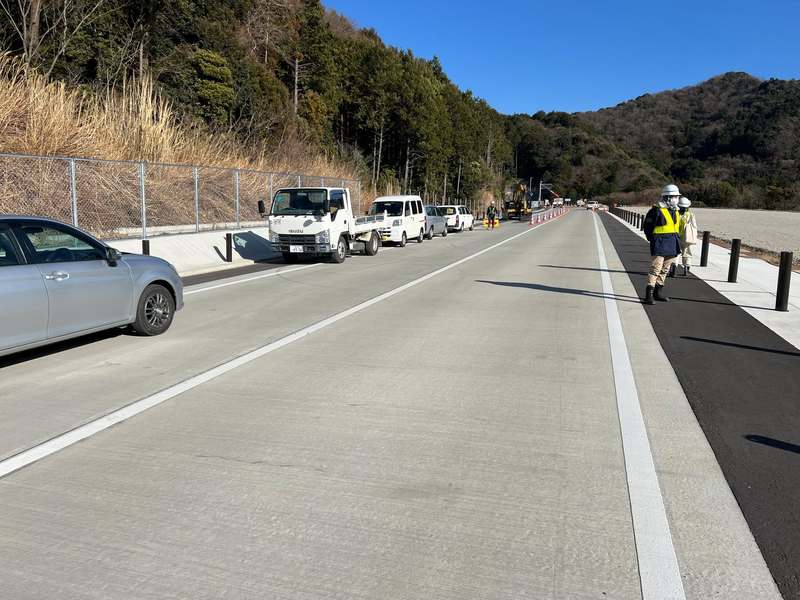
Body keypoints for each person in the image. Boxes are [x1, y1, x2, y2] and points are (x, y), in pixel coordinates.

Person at [641, 184, 682, 305]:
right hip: (659, 244)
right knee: (655, 269)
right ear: (668, 197)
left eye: (677, 197)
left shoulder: (676, 211)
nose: (677, 199)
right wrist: (653, 239)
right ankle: (649, 295)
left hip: (672, 244)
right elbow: (647, 227)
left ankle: (657, 292)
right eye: (675, 197)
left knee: (665, 270)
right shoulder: (656, 210)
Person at [677, 196, 698, 276]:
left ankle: (673, 266)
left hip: (677, 236)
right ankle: (686, 267)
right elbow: (694, 226)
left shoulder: (676, 214)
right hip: (687, 237)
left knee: (675, 253)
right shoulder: (691, 215)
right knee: (687, 252)